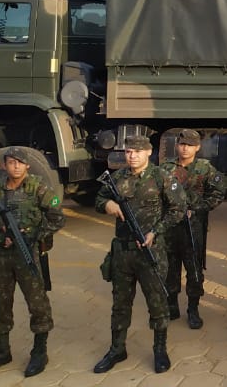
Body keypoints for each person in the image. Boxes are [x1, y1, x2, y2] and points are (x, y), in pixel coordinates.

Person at [0, 146, 65, 377]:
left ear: (27, 165)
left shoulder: (39, 187)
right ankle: (1, 352)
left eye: (20, 162)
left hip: (27, 254)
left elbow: (57, 218)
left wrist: (33, 236)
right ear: (4, 165)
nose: (16, 166)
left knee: (37, 303)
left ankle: (39, 352)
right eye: (11, 162)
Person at [94, 134, 185, 374]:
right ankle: (117, 349)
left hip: (150, 251)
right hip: (123, 252)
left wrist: (156, 231)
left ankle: (160, 349)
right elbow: (99, 198)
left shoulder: (161, 177)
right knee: (120, 304)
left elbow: (178, 209)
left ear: (148, 152)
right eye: (128, 152)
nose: (132, 156)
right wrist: (107, 205)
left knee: (157, 302)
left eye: (137, 152)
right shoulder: (117, 177)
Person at [162, 128, 225, 329]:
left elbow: (217, 193)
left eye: (190, 145)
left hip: (193, 227)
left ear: (197, 147)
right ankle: (171, 304)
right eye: (182, 144)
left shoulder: (205, 168)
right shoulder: (165, 168)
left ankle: (193, 308)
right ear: (177, 145)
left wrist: (198, 208)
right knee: (170, 268)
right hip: (170, 227)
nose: (185, 148)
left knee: (194, 270)